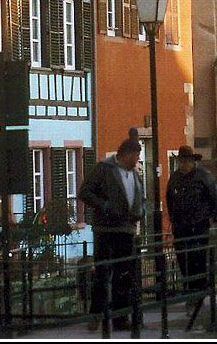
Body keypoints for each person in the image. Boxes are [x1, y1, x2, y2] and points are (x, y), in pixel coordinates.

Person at [79, 138, 145, 332]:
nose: (137, 159)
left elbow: (140, 197)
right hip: (106, 230)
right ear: (127, 154)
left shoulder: (134, 174)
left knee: (123, 276)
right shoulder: (104, 169)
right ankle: (96, 315)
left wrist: (140, 210)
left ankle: (120, 318)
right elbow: (85, 192)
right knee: (102, 274)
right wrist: (105, 206)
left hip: (126, 230)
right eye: (136, 155)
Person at [166, 146, 217, 311]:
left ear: (192, 162)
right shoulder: (175, 178)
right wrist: (173, 218)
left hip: (198, 226)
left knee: (197, 260)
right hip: (181, 227)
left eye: (186, 161)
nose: (183, 164)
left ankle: (198, 295)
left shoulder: (204, 177)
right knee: (184, 261)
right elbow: (170, 199)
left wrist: (213, 217)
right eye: (181, 161)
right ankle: (191, 293)